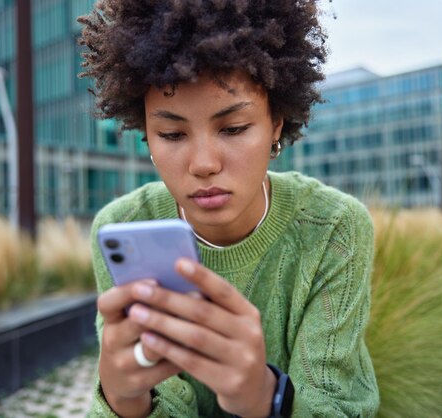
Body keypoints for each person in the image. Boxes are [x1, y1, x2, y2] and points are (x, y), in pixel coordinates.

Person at [78, 1, 379, 417]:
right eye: (171, 133)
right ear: (146, 136)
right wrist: (125, 401)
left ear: (276, 123)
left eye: (234, 128)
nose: (203, 164)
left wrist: (265, 396)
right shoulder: (122, 228)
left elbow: (336, 406)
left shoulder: (333, 229)